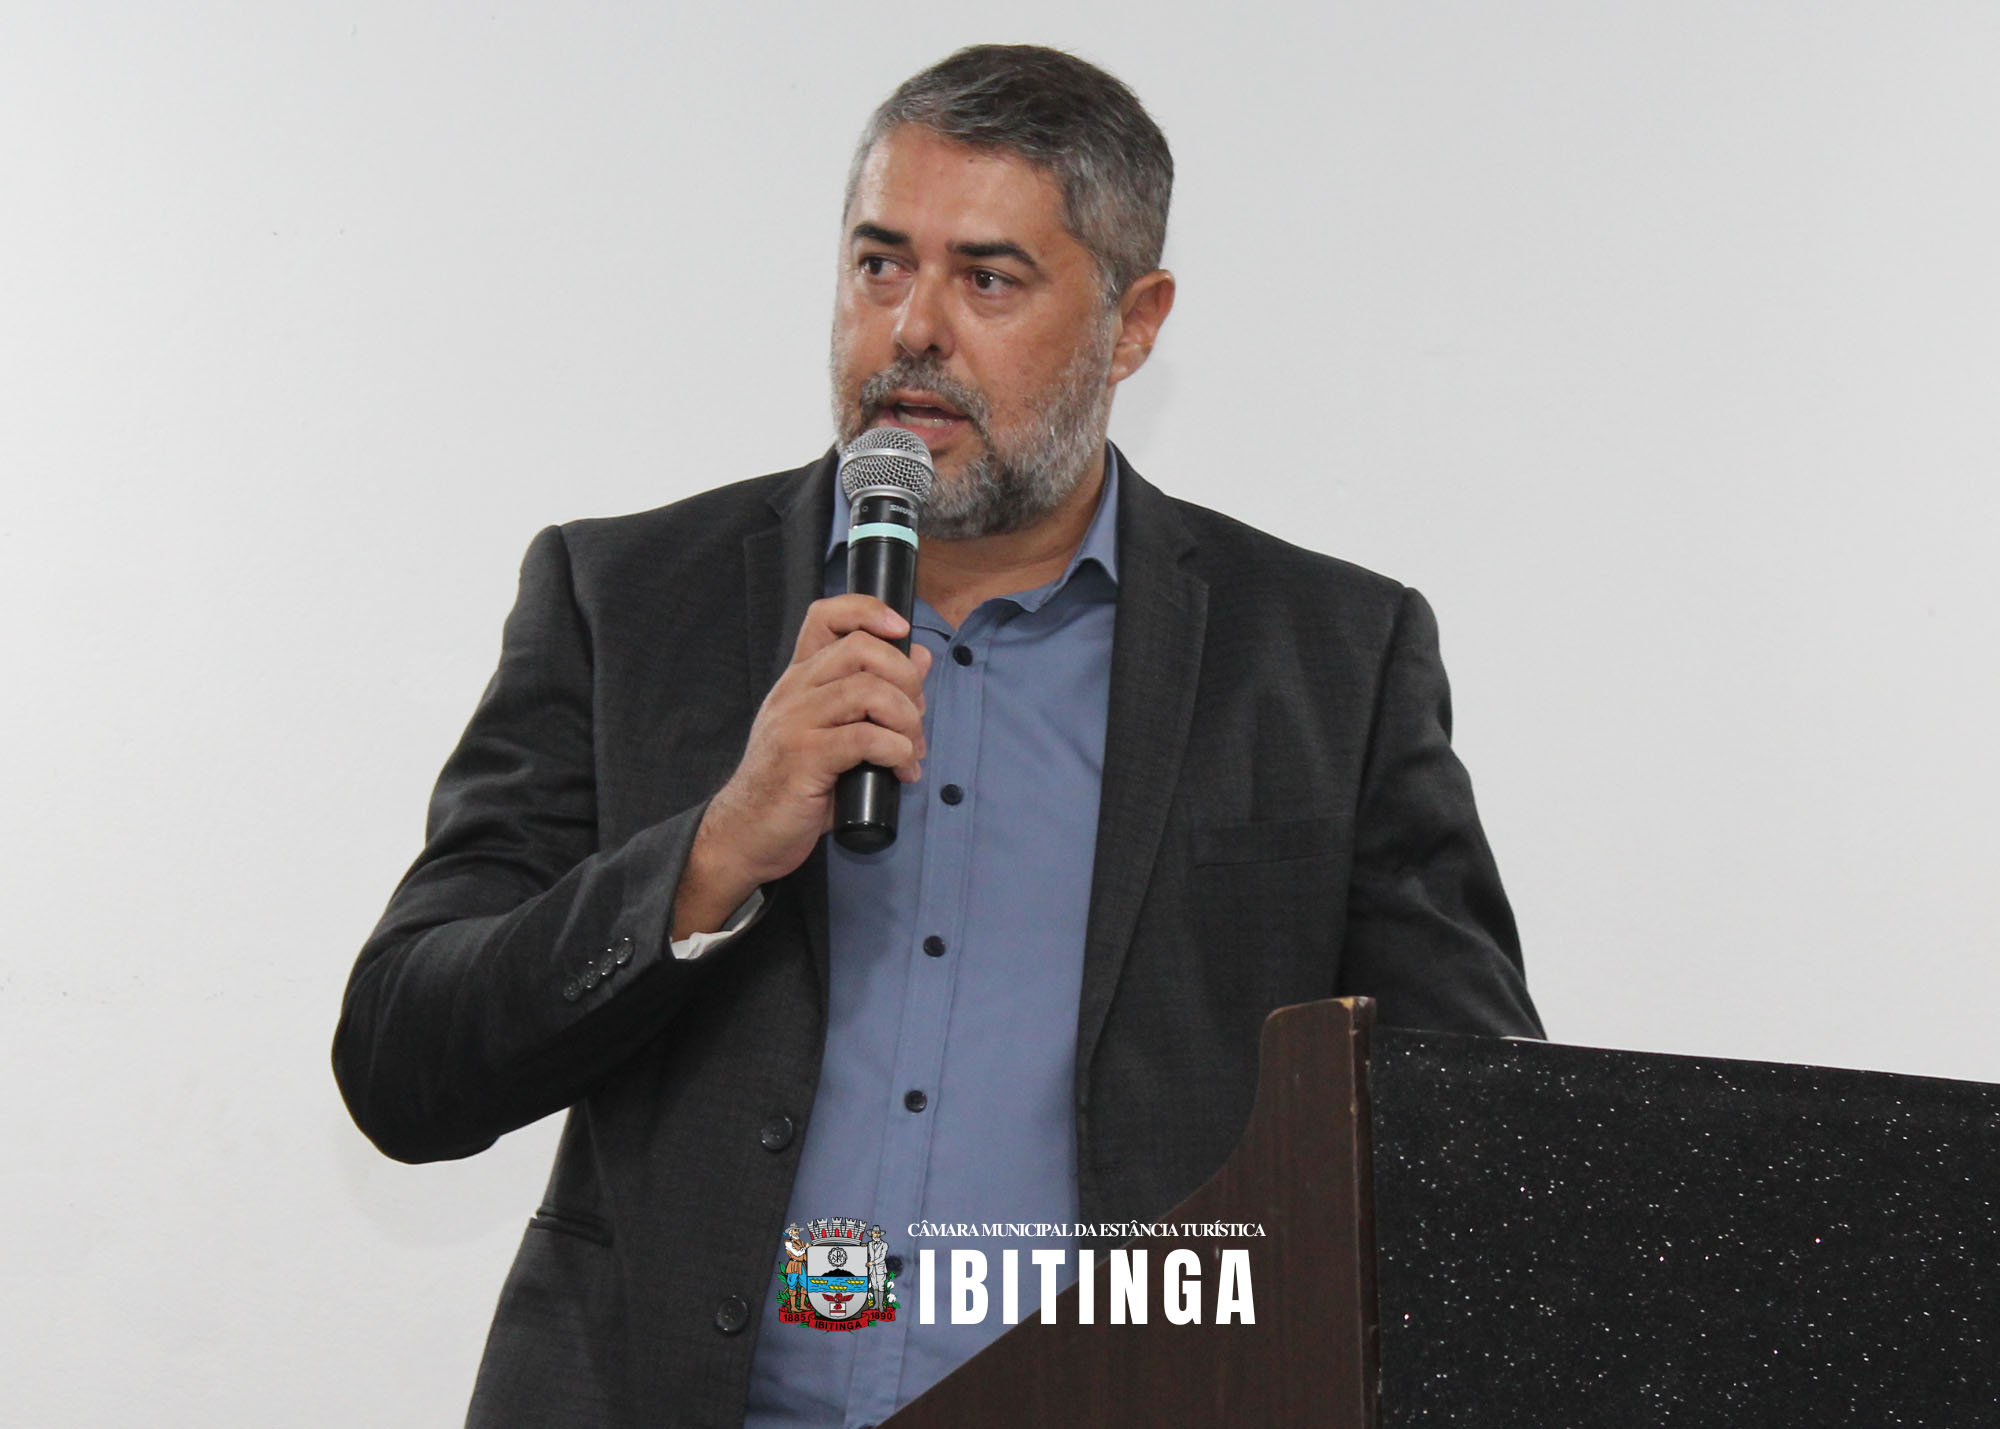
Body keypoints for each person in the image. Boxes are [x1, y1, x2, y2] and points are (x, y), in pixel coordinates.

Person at [334, 43, 1542, 1429]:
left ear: (1134, 323)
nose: (912, 329)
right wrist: (710, 856)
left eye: (988, 279)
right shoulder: (628, 601)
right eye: (879, 265)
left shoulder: (1326, 658)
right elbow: (402, 1065)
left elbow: (1478, 1146)